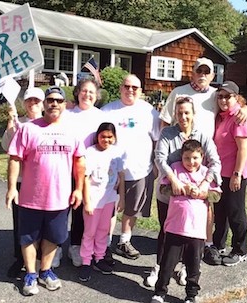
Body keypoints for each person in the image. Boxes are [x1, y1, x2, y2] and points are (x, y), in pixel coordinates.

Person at [156, 57, 247, 268]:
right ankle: (170, 255)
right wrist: (161, 152)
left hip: (208, 162)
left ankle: (206, 246)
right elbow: (163, 121)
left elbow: (235, 103)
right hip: (179, 160)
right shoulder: (179, 92)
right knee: (182, 207)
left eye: (207, 72)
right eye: (199, 70)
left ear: (212, 75)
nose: (203, 75)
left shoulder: (215, 94)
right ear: (193, 71)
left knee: (207, 207)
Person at [5, 86, 86, 296]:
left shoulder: (72, 131)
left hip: (60, 199)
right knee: (28, 238)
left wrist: (78, 190)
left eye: (59, 100)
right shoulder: (28, 129)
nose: (54, 104)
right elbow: (14, 158)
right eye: (50, 100)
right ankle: (30, 274)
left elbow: (79, 162)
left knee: (53, 237)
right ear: (44, 104)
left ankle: (45, 270)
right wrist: (12, 187)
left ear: (65, 105)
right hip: (31, 198)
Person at [148, 96, 222, 287]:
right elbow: (160, 158)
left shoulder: (203, 136)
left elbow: (215, 162)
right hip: (169, 193)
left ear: (193, 114)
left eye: (187, 112)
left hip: (195, 197)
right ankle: (160, 266)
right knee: (167, 231)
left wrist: (206, 183)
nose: (183, 117)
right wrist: (173, 179)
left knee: (190, 236)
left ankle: (184, 268)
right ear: (175, 114)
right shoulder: (167, 134)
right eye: (179, 113)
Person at [151, 140, 222, 303]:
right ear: (181, 157)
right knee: (167, 263)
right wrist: (182, 188)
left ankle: (191, 294)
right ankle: (160, 292)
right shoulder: (175, 168)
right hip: (175, 227)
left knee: (193, 265)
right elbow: (163, 189)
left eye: (195, 158)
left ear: (202, 157)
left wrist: (203, 193)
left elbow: (216, 196)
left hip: (196, 230)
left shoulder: (206, 173)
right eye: (187, 158)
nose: (191, 162)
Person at [101, 74, 160, 259]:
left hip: (140, 169)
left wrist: (156, 164)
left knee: (132, 208)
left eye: (135, 87)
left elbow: (157, 138)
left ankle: (124, 241)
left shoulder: (150, 112)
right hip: (110, 170)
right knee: (108, 207)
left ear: (141, 91)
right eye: (127, 86)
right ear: (121, 88)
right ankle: (104, 244)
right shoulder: (107, 111)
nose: (130, 90)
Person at [1, 87, 45, 277]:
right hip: (22, 181)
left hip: (44, 182)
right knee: (21, 222)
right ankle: (20, 258)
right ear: (24, 103)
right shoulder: (20, 123)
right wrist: (11, 122)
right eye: (29, 100)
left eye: (36, 101)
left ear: (42, 103)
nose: (32, 104)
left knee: (44, 222)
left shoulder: (49, 124)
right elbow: (6, 147)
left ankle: (43, 258)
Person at [212, 81, 247, 266]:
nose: (223, 100)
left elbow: (243, 149)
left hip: (236, 172)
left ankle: (240, 250)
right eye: (220, 96)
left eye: (227, 96)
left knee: (236, 212)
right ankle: (218, 244)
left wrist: (237, 174)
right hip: (221, 172)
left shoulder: (238, 117)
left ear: (236, 97)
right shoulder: (221, 116)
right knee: (220, 211)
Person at [79, 122, 125, 282]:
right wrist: (87, 202)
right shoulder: (90, 152)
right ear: (97, 136)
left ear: (114, 138)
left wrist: (122, 199)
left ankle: (99, 258)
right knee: (90, 232)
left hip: (109, 198)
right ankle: (86, 261)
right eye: (103, 136)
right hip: (94, 199)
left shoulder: (117, 153)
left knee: (103, 230)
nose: (106, 140)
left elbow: (121, 176)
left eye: (109, 137)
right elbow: (85, 179)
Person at [67, 78, 105, 267]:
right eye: (84, 91)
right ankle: (55, 246)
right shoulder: (67, 114)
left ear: (96, 96)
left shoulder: (101, 116)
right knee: (60, 209)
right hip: (65, 169)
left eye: (91, 92)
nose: (87, 95)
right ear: (77, 92)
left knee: (81, 211)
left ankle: (75, 245)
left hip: (87, 173)